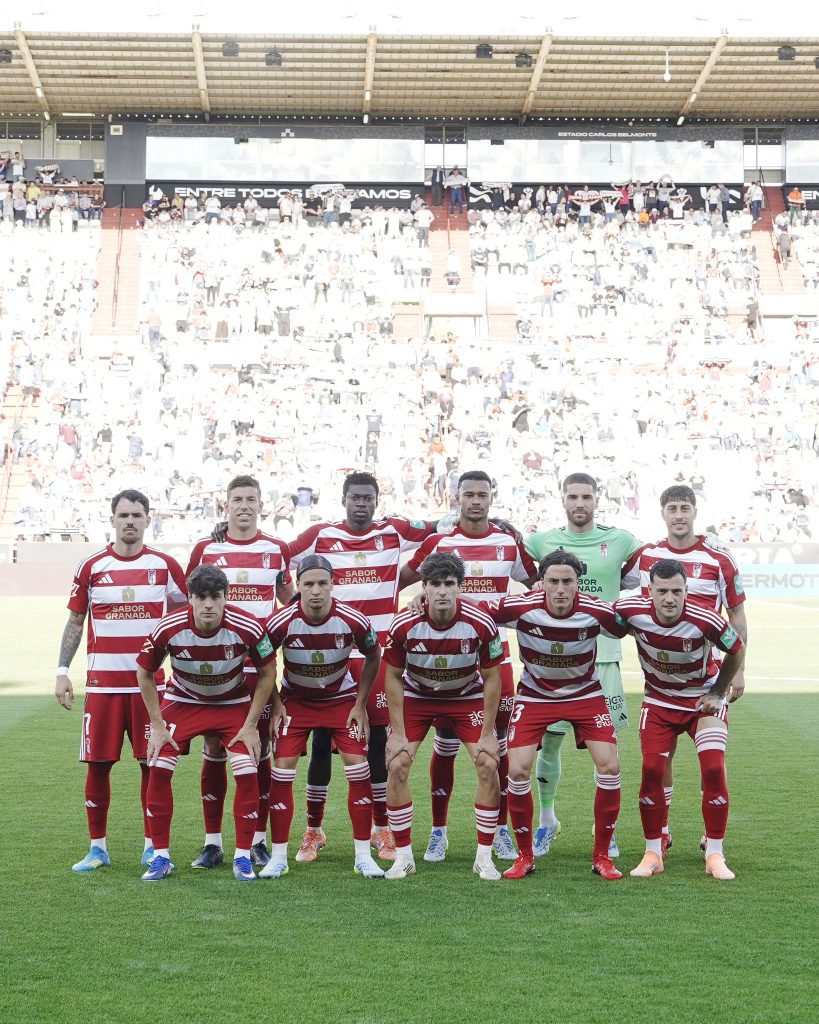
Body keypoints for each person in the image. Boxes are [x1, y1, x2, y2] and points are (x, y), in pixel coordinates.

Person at [286, 472, 438, 862]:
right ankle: (314, 830)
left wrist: (411, 578)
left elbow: (438, 531)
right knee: (321, 743)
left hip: (377, 655)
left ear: (376, 500)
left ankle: (380, 828)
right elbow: (275, 555)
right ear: (343, 499)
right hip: (332, 656)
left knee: (376, 745)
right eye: (355, 497)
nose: (361, 504)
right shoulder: (320, 535)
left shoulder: (394, 531)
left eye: (368, 498)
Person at [398, 469, 537, 862]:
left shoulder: (507, 541)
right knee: (443, 746)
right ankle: (439, 831)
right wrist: (415, 599)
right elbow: (405, 578)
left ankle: (500, 830)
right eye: (468, 494)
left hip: (494, 659)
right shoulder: (440, 541)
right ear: (457, 497)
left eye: (482, 494)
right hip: (443, 658)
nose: (475, 501)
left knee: (497, 746)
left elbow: (537, 583)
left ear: (492, 496)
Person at [55, 489, 187, 872]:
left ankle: (153, 847)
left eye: (137, 515)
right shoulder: (91, 566)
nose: (130, 521)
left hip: (152, 688)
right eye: (124, 515)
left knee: (154, 767)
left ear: (148, 519)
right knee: (98, 765)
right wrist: (62, 671)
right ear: (112, 519)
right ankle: (98, 848)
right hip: (102, 687)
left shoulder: (165, 566)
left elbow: (184, 619)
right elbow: (76, 621)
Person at [620, 484, 747, 854]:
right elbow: (627, 599)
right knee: (662, 760)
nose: (679, 514)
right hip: (660, 677)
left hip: (706, 669)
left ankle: (713, 836)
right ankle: (662, 829)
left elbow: (736, 614)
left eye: (685, 508)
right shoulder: (646, 556)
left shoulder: (718, 558)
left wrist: (737, 670)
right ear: (663, 513)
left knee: (711, 762)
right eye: (672, 508)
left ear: (694, 512)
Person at [485, 551, 626, 881]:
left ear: (578, 583)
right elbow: (476, 609)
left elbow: (627, 626)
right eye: (553, 581)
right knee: (517, 770)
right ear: (541, 583)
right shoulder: (520, 607)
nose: (560, 589)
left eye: (568, 582)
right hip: (535, 696)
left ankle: (602, 856)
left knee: (610, 765)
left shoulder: (594, 610)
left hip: (585, 694)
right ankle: (524, 856)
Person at [136, 564, 282, 881]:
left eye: (215, 597)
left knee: (246, 769)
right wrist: (158, 725)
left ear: (225, 597)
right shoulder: (168, 628)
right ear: (189, 598)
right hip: (184, 701)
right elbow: (144, 673)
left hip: (232, 703)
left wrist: (251, 723)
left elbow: (269, 672)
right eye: (200, 597)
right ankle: (160, 857)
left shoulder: (249, 627)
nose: (208, 604)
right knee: (158, 767)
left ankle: (243, 858)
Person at [524, 472, 641, 857]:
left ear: (597, 499)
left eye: (586, 496)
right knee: (548, 746)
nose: (580, 503)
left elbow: (649, 567)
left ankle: (605, 829)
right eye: (572, 496)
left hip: (604, 660)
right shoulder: (540, 542)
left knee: (606, 751)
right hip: (554, 664)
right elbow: (519, 576)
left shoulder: (620, 540)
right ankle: (546, 820)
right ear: (562, 499)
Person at [186, 475, 294, 870]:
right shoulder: (206, 548)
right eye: (237, 499)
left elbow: (289, 599)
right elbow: (191, 604)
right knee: (214, 749)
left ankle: (258, 840)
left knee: (259, 751)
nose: (244, 505)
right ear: (225, 505)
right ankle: (212, 842)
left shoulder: (276, 549)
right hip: (216, 670)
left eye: (251, 499)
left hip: (259, 671)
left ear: (261, 504)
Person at [260, 556, 384, 880]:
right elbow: (263, 662)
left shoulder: (352, 619)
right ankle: (278, 857)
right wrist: (275, 702)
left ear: (332, 584)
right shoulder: (281, 621)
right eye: (308, 584)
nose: (315, 591)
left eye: (322, 583)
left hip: (341, 700)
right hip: (295, 702)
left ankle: (362, 856)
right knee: (282, 771)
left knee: (359, 769)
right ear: (298, 587)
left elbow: (374, 655)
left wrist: (360, 703)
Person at [383, 552, 503, 880]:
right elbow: (392, 676)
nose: (442, 591)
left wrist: (489, 731)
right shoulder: (404, 623)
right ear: (423, 588)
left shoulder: (480, 622)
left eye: (449, 584)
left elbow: (493, 678)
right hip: (417, 697)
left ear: (459, 588)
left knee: (488, 762)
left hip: (466, 697)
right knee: (397, 763)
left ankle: (484, 857)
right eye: (434, 584)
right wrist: (396, 731)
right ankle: (404, 857)